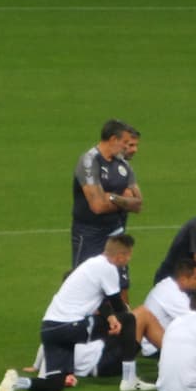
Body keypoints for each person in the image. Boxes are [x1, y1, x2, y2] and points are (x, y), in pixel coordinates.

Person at [0, 234, 154, 391]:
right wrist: (119, 319)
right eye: (129, 255)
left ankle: (17, 383)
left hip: (50, 329)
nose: (129, 259)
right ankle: (129, 380)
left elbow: (100, 301)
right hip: (70, 326)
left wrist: (110, 318)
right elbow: (118, 305)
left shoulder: (91, 264)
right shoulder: (108, 268)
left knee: (55, 383)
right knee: (129, 319)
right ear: (120, 256)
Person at [71, 120, 143, 297]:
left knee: (121, 285)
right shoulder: (89, 161)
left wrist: (111, 197)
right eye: (125, 142)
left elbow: (138, 204)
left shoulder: (123, 164)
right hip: (90, 235)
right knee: (86, 286)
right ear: (113, 139)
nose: (127, 147)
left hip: (116, 232)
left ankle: (122, 314)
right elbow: (97, 206)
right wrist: (123, 201)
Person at [135, 257, 196, 355]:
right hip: (154, 347)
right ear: (183, 279)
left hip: (156, 341)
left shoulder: (169, 285)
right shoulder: (172, 294)